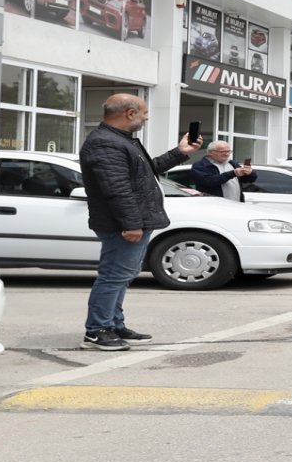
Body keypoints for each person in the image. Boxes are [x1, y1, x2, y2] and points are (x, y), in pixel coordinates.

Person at [79, 94, 201, 351]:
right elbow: (117, 188)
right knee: (114, 277)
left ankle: (113, 324)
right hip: (122, 225)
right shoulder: (106, 144)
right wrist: (131, 223)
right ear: (129, 113)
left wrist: (180, 153)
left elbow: (148, 170)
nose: (146, 117)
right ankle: (97, 330)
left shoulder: (120, 141)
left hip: (132, 221)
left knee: (122, 276)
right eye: (144, 112)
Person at [191, 140, 257, 201]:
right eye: (223, 152)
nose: (227, 154)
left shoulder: (232, 163)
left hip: (237, 204)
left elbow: (247, 180)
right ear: (211, 152)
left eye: (229, 151)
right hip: (215, 205)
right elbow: (209, 181)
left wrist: (250, 173)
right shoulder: (200, 165)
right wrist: (233, 173)